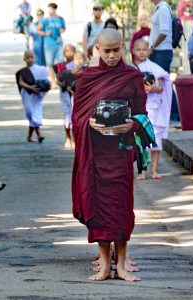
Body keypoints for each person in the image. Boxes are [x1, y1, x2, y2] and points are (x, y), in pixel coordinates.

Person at [72, 29, 146, 282]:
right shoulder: (87, 78)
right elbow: (77, 116)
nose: (112, 56)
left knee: (121, 207)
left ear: (123, 47)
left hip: (121, 151)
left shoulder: (132, 76)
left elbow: (142, 114)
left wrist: (132, 125)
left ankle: (122, 265)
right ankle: (105, 266)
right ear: (98, 50)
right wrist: (88, 124)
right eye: (107, 51)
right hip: (96, 154)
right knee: (99, 207)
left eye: (116, 50)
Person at [133, 39, 172, 180]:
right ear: (133, 51)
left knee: (155, 141)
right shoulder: (131, 68)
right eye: (139, 49)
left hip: (153, 109)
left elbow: (161, 87)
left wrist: (152, 88)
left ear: (149, 50)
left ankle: (154, 170)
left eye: (145, 49)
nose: (142, 52)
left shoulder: (154, 68)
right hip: (138, 109)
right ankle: (142, 171)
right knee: (140, 141)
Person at [149, 0, 178, 122]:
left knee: (164, 85)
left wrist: (153, 47)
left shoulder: (163, 9)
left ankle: (174, 115)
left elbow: (164, 32)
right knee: (160, 84)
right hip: (159, 52)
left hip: (161, 52)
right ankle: (169, 114)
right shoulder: (159, 8)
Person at [15, 50, 49, 143]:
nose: (30, 59)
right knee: (31, 113)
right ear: (24, 59)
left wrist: (42, 89)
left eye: (31, 57)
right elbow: (21, 82)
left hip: (36, 96)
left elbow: (45, 81)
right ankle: (37, 135)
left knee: (35, 114)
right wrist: (30, 87)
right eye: (27, 57)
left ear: (35, 58)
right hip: (27, 94)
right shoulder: (22, 72)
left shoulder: (40, 69)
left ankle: (34, 136)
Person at [54, 44, 75, 148]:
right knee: (66, 113)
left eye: (71, 51)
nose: (69, 53)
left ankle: (75, 138)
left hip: (75, 92)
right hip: (64, 92)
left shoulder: (77, 65)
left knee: (75, 113)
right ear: (63, 53)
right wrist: (64, 86)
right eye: (67, 51)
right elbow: (57, 79)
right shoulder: (60, 66)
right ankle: (68, 137)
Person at [36, 3, 66, 68]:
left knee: (61, 62)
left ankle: (60, 77)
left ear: (55, 9)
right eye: (48, 9)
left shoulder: (60, 19)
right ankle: (51, 78)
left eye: (51, 9)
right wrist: (45, 33)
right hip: (48, 44)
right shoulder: (45, 20)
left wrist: (63, 30)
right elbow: (37, 30)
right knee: (49, 64)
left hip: (59, 44)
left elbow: (64, 28)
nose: (49, 11)